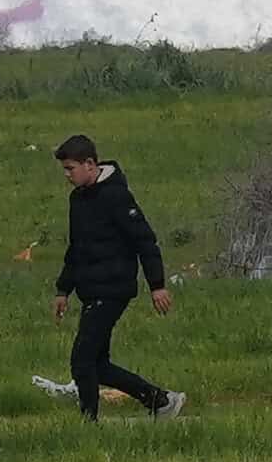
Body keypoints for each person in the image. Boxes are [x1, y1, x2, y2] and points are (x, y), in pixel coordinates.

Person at [51, 135, 186, 421]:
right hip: (90, 290)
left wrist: (157, 285)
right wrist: (63, 290)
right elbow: (76, 248)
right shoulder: (77, 199)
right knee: (97, 364)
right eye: (64, 169)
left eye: (70, 168)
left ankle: (87, 424)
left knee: (82, 360)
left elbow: (145, 241)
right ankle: (161, 401)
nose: (67, 175)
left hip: (113, 289)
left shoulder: (116, 196)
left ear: (90, 164)